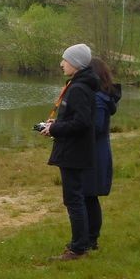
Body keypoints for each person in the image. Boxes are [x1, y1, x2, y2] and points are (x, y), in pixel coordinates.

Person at [38, 44, 98, 260]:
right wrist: (56, 123)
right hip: (74, 149)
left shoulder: (79, 88)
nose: (62, 64)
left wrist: (55, 129)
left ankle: (78, 248)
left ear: (76, 63)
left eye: (65, 60)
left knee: (73, 199)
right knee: (75, 198)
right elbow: (76, 118)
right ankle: (81, 242)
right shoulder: (78, 85)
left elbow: (82, 122)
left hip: (74, 151)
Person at [82, 58, 121, 252]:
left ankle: (91, 239)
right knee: (88, 197)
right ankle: (89, 237)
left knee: (88, 196)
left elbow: (96, 127)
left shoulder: (98, 99)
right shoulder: (101, 96)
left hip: (94, 153)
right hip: (96, 150)